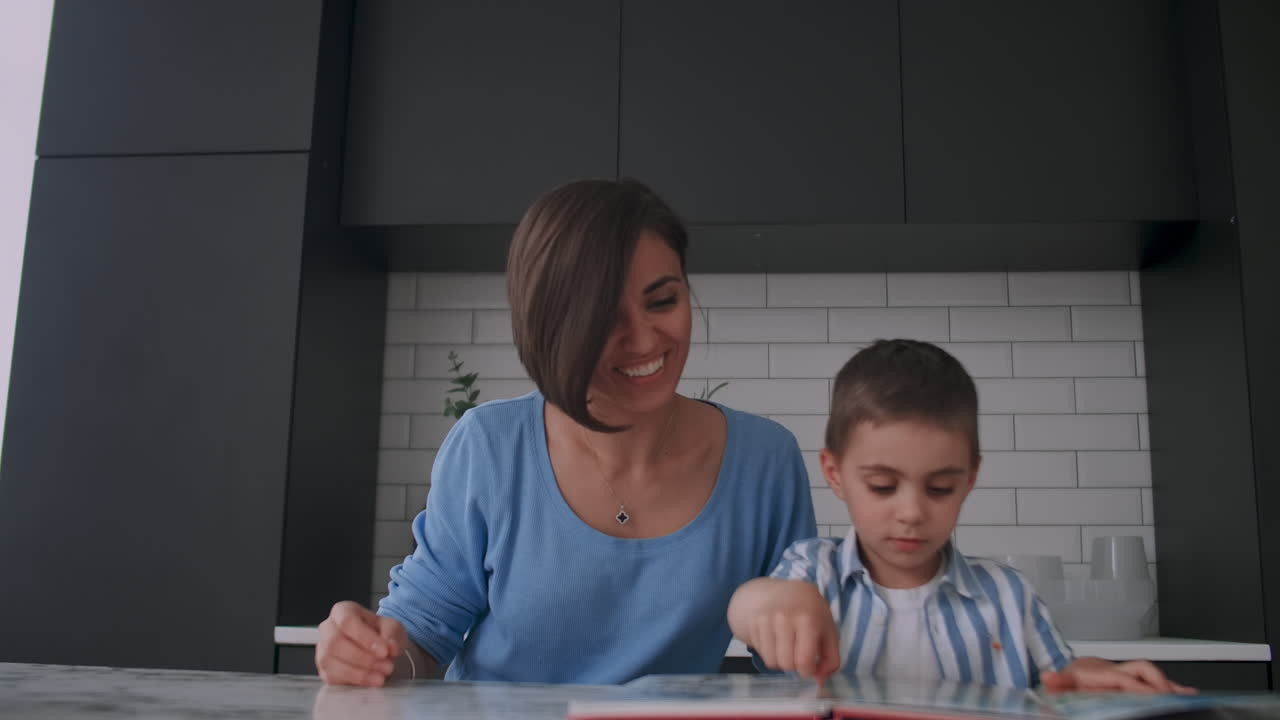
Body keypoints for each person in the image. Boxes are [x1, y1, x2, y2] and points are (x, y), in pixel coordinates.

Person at [315, 178, 817, 685]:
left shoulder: (765, 460)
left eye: (662, 301)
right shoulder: (490, 446)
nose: (645, 339)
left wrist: (816, 630)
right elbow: (421, 636)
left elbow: (795, 673)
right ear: (551, 323)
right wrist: (372, 657)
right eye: (605, 317)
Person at [727, 339, 1193, 694]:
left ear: (969, 478)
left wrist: (1089, 677)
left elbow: (1059, 677)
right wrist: (770, 602)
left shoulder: (1009, 596)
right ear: (835, 473)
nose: (911, 512)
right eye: (883, 486)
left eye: (939, 488)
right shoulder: (812, 573)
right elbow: (745, 608)